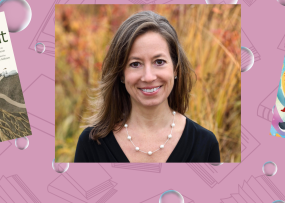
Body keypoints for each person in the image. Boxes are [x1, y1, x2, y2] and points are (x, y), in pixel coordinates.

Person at [74, 11, 221, 163]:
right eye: (135, 64)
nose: (149, 77)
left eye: (159, 62)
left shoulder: (205, 144)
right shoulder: (91, 144)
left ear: (176, 68)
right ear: (121, 74)